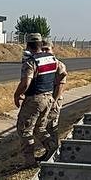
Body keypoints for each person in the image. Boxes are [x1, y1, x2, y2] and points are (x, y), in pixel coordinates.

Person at [14, 34, 68, 162]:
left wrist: (17, 95)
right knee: (40, 128)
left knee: (25, 130)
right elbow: (62, 76)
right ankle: (52, 146)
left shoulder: (31, 62)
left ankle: (29, 161)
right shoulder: (52, 60)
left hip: (34, 98)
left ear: (27, 45)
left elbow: (26, 82)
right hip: (48, 97)